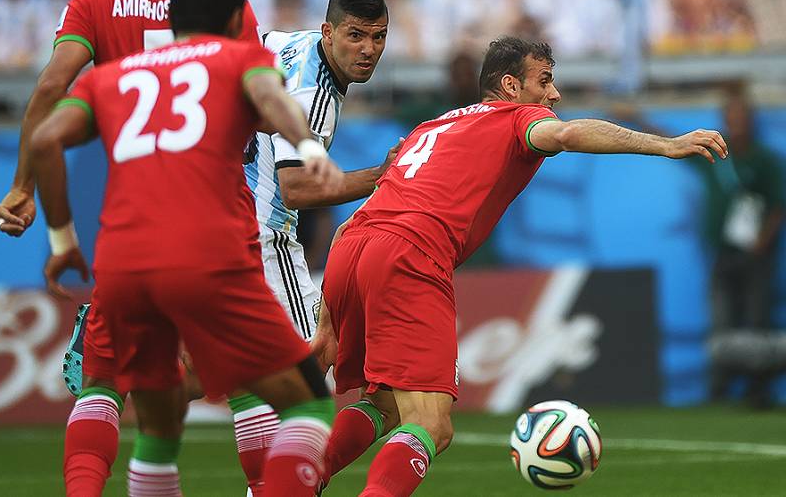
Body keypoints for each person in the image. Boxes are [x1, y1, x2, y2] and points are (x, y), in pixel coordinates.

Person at [311, 36, 728, 495]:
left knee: (384, 404)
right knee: (432, 425)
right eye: (544, 81)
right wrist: (665, 145)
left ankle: (292, 482)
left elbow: (349, 224)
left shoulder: (431, 127)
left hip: (352, 245)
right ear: (510, 86)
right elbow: (567, 134)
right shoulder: (519, 118)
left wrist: (327, 318)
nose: (554, 95)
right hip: (409, 254)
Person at [30, 0, 343, 495]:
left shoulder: (114, 76)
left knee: (154, 427)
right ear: (233, 21)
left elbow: (44, 140)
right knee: (307, 401)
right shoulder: (239, 59)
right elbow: (273, 97)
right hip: (210, 253)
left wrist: (62, 239)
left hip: (122, 262)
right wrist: (308, 148)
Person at [0, 0, 259, 494]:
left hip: (134, 220)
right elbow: (253, 101)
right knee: (250, 377)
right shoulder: (228, 1)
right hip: (219, 215)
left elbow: (51, 88)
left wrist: (24, 187)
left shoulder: (94, 4)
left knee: (102, 381)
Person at [235, 0, 393, 493]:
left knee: (271, 379)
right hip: (264, 239)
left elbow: (240, 49)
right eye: (355, 36)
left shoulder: (284, 41)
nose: (367, 50)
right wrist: (385, 174)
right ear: (329, 31)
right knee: (305, 385)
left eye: (378, 37)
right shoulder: (313, 92)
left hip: (223, 222)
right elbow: (297, 187)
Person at [702, 89, 784, 408]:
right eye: (730, 118)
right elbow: (670, 141)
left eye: (740, 118)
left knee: (756, 320)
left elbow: (778, 204)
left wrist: (763, 241)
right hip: (722, 252)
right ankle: (719, 390)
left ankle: (757, 391)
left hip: (755, 255)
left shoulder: (764, 159)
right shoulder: (712, 154)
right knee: (721, 322)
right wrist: (639, 122)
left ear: (751, 122)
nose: (735, 123)